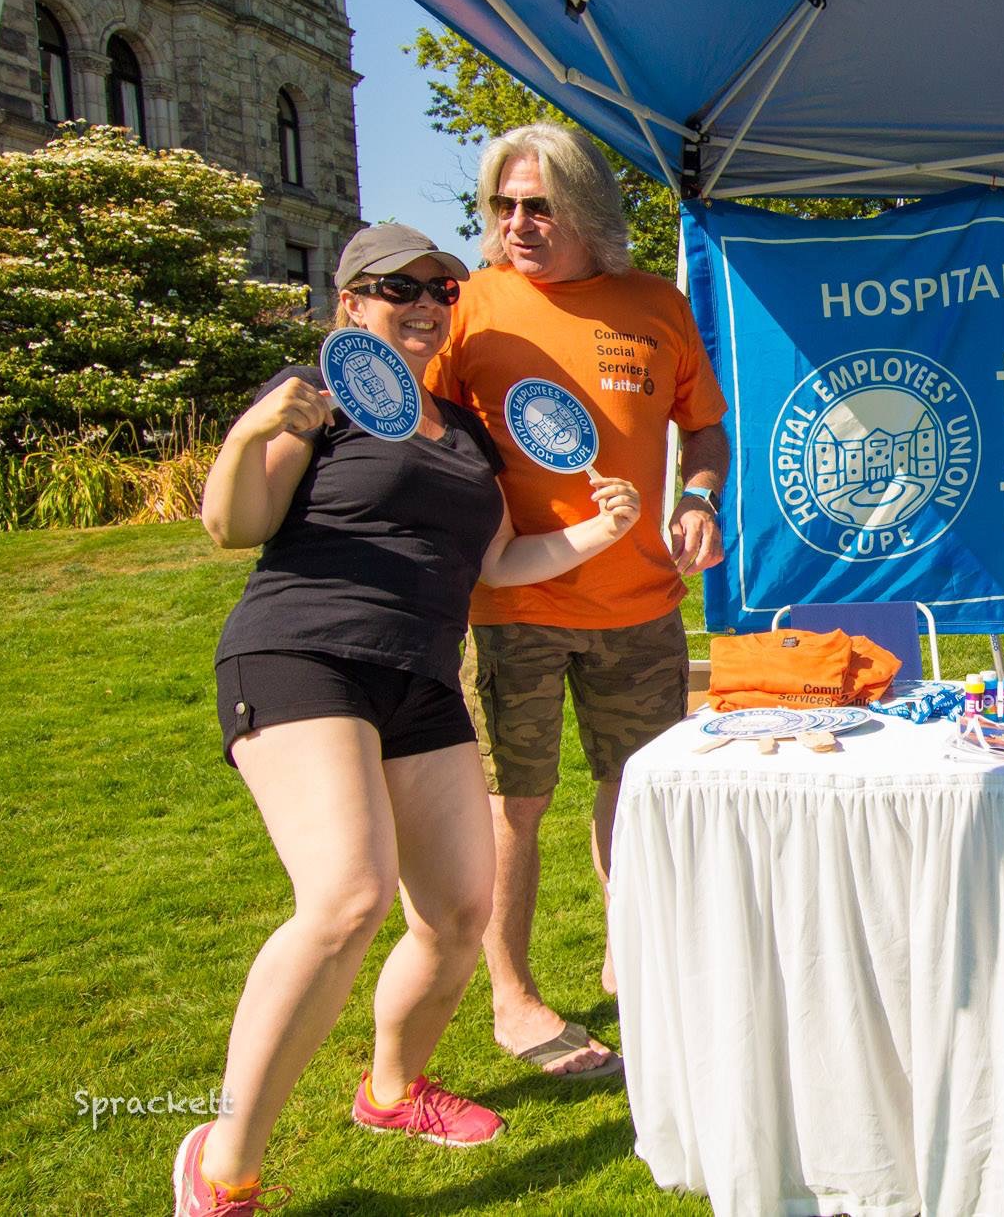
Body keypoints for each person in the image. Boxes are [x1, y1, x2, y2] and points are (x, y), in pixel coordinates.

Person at [175, 223, 644, 1215]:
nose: (425, 303)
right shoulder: (318, 402)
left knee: (458, 912)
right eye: (397, 287)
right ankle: (222, 1166)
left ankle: (392, 1091)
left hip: (421, 674)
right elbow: (236, 527)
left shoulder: (464, 433)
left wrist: (597, 530)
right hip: (303, 654)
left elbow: (497, 565)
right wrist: (250, 433)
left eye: (441, 287)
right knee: (345, 899)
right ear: (349, 303)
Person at [423, 122, 730, 1079]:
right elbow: (414, 432)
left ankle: (629, 953)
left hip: (639, 602)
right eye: (501, 205)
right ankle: (512, 997)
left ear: (588, 210)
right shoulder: (469, 307)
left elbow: (705, 431)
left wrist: (697, 498)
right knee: (513, 804)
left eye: (538, 205)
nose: (516, 224)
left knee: (633, 793)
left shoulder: (657, 306)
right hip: (510, 606)